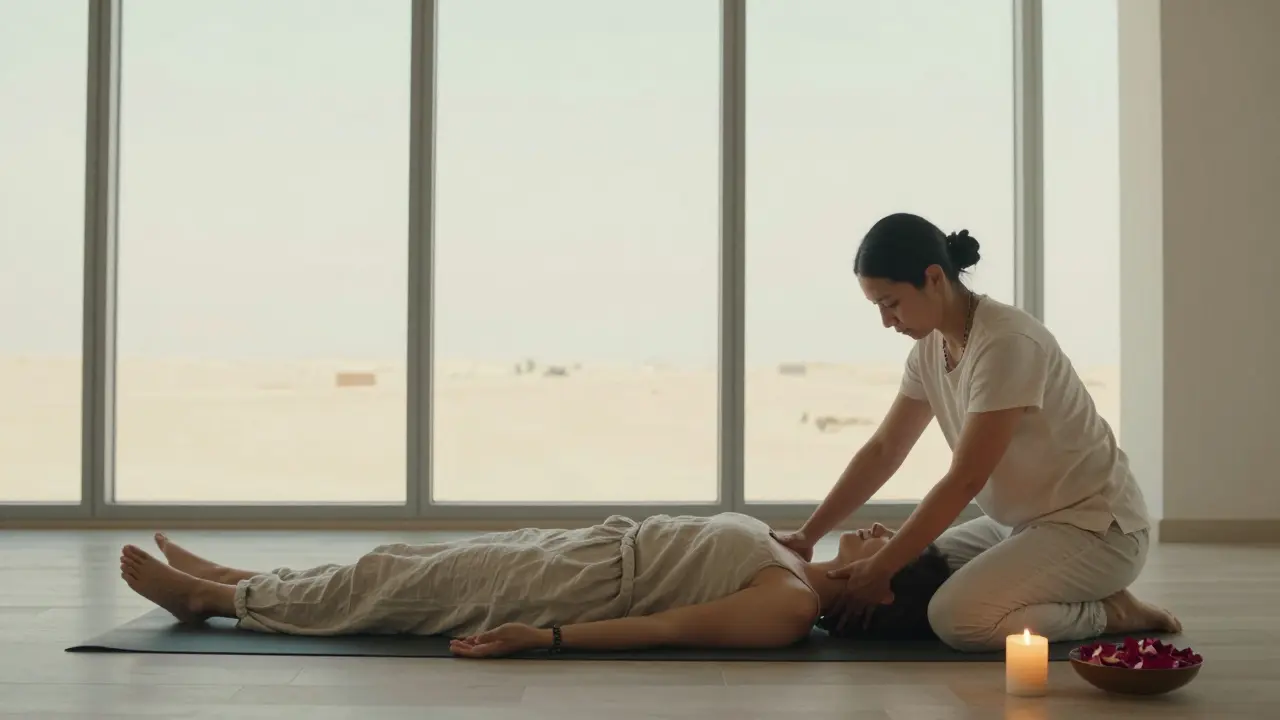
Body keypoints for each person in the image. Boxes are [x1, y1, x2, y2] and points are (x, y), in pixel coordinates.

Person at [773, 212, 1181, 652]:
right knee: (923, 574)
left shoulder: (1006, 343)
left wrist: (880, 568)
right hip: (1018, 525)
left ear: (933, 278)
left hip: (1097, 529)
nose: (887, 321)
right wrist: (808, 535)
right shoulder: (929, 347)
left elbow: (966, 479)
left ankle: (1110, 612)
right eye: (878, 307)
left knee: (956, 618)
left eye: (890, 303)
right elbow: (884, 449)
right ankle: (1062, 589)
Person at [119, 513, 952, 658]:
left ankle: (214, 602)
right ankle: (240, 578)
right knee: (395, 561)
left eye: (894, 544)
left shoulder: (791, 605)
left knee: (387, 588)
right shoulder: (799, 558)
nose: (883, 531)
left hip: (573, 588)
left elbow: (662, 630)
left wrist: (545, 640)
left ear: (880, 593)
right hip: (580, 548)